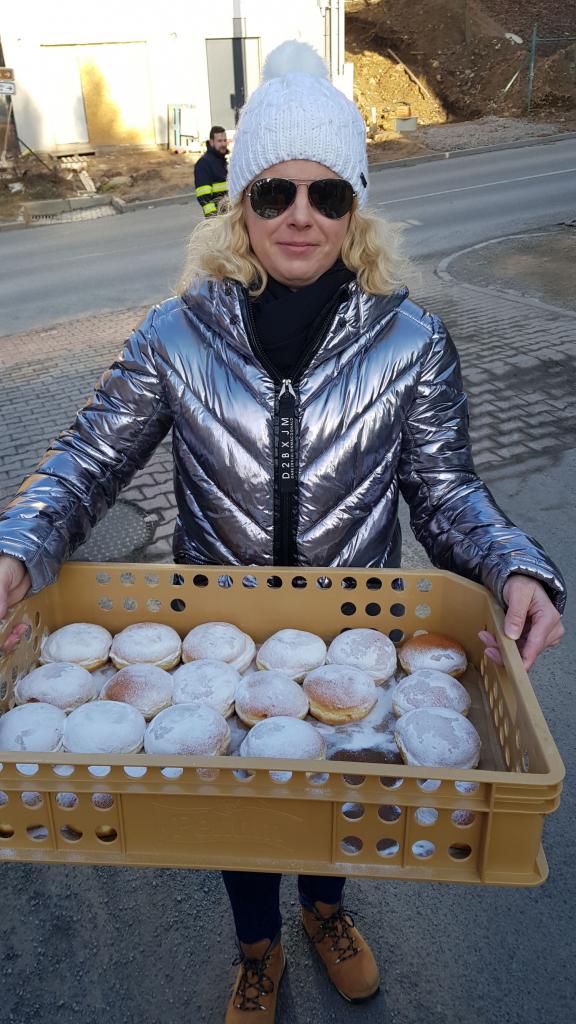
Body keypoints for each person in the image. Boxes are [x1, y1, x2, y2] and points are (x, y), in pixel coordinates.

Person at [0, 39, 566, 1024]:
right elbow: (86, 461)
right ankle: (256, 947)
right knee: (241, 810)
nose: (300, 216)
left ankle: (326, 911)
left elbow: (445, 493)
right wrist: (17, 546)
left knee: (341, 796)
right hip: (221, 637)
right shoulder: (174, 335)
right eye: (274, 192)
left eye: (327, 193)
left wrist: (517, 566)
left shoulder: (412, 343)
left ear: (355, 208)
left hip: (356, 629)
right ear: (240, 205)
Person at [194, 124, 229, 217]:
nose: (223, 144)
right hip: (218, 217)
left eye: (225, 140)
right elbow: (203, 196)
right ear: (211, 142)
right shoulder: (204, 163)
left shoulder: (223, 161)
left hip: (229, 214)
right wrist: (213, 218)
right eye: (219, 141)